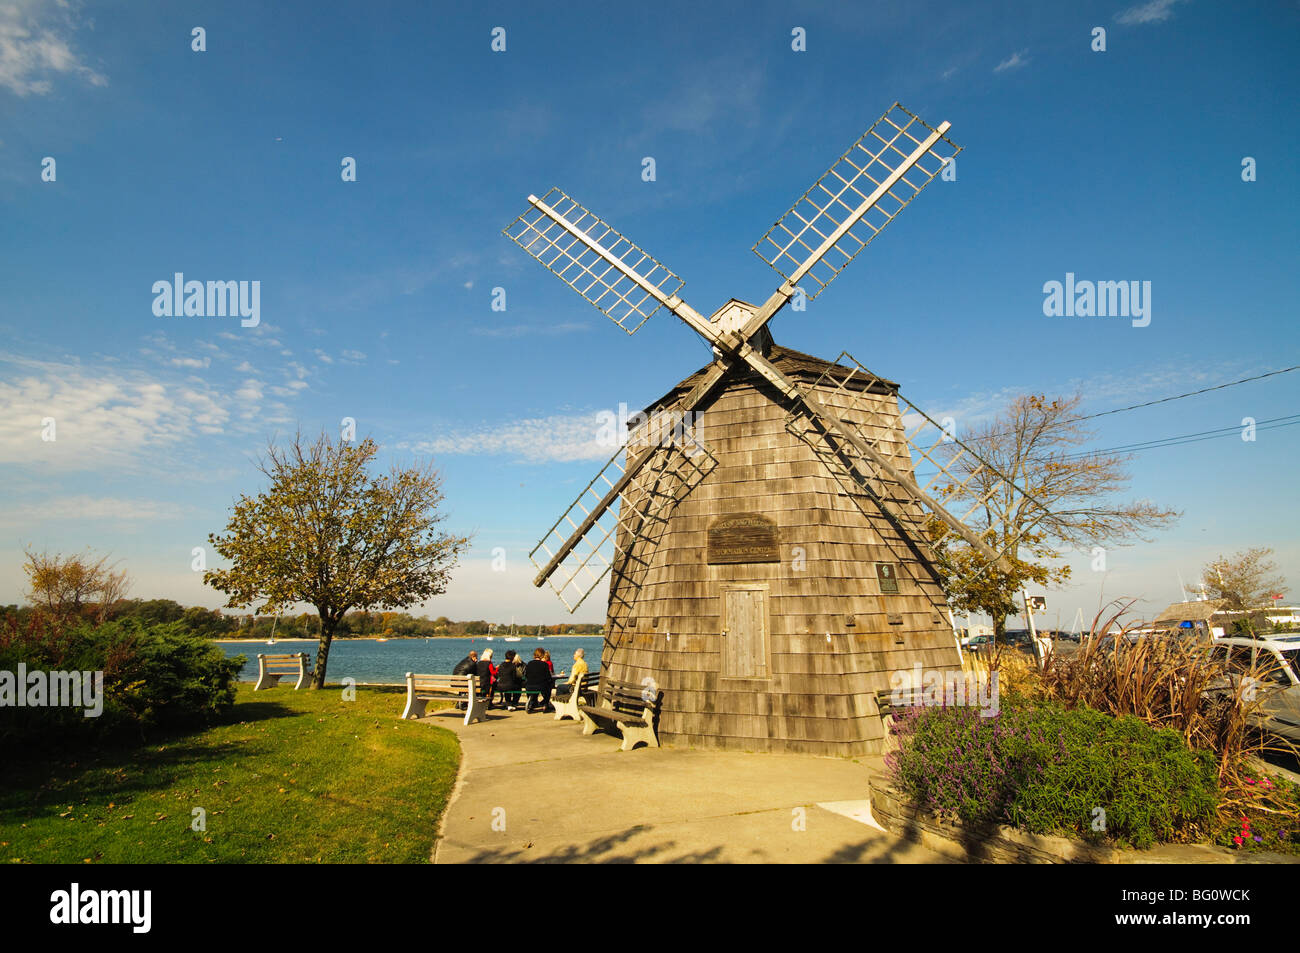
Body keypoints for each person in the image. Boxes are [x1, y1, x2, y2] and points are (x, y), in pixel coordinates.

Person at [524, 647, 554, 713]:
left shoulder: (529, 663)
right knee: (549, 685)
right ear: (542, 655)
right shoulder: (544, 664)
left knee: (535, 686)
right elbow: (548, 677)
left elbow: (526, 675)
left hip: (529, 686)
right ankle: (545, 703)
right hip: (541, 686)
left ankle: (533, 703)